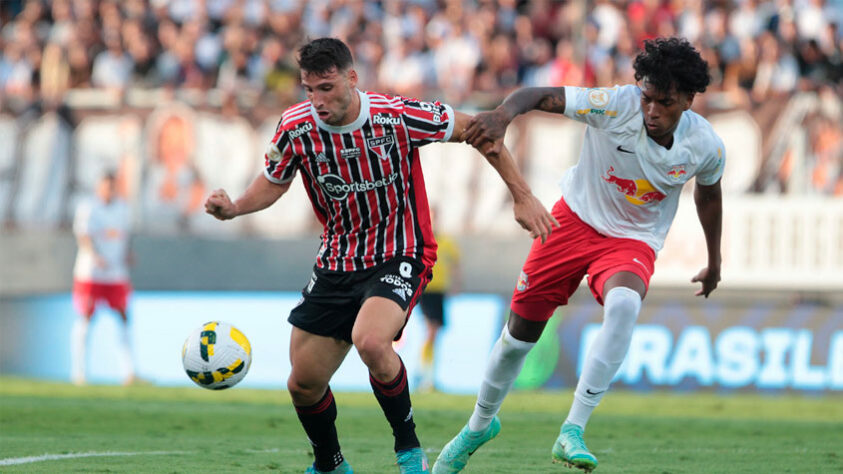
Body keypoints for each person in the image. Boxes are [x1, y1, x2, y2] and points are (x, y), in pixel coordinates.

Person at [204, 38, 556, 474]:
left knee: (371, 340)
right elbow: (275, 180)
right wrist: (235, 206)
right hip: (336, 260)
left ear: (352, 79)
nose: (317, 100)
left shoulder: (396, 116)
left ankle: (409, 452)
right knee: (303, 383)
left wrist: (522, 197)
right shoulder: (296, 127)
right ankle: (330, 463)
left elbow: (479, 131)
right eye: (309, 89)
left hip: (401, 251)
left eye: (327, 88)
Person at [433, 37, 724, 473]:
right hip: (574, 221)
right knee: (516, 341)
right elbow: (539, 96)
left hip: (633, 239)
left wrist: (715, 260)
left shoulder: (705, 145)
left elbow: (710, 197)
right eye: (646, 99)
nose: (651, 111)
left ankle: (572, 429)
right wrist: (501, 115)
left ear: (686, 99)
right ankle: (478, 425)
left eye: (663, 103)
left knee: (625, 305)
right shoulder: (614, 104)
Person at [71, 171, 136, 386]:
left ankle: (129, 372)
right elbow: (83, 235)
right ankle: (79, 372)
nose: (110, 190)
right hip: (91, 273)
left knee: (123, 315)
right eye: (107, 186)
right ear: (99, 187)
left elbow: (124, 236)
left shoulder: (123, 208)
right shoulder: (88, 207)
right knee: (87, 316)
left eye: (113, 186)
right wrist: (94, 256)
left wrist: (128, 253)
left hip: (116, 273)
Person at [416, 209, 461, 392]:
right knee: (431, 331)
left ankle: (428, 376)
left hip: (440, 291)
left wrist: (456, 284)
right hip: (425, 289)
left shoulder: (446, 241)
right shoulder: (420, 240)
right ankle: (425, 376)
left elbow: (456, 264)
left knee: (435, 334)